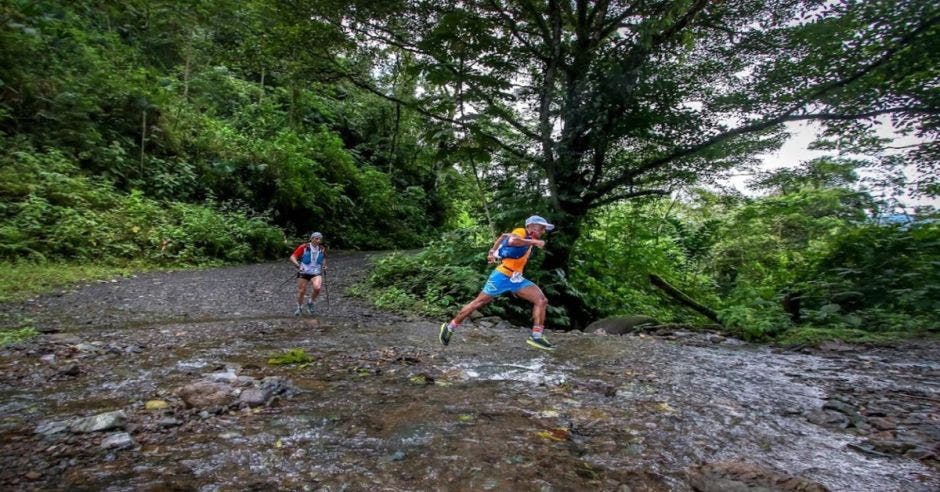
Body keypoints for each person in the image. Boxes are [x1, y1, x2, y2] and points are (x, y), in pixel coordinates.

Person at [439, 215, 556, 351]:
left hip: (516, 279)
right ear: (531, 226)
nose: (543, 232)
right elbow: (512, 241)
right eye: (541, 228)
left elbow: (502, 237)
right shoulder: (521, 232)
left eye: (543, 229)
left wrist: (492, 252)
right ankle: (449, 327)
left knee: (541, 300)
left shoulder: (529, 239)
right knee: (478, 302)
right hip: (501, 276)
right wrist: (535, 242)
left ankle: (536, 336)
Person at [289, 232, 327, 315]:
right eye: (316, 238)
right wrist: (298, 266)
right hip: (304, 271)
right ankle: (299, 307)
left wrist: (324, 265)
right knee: (302, 291)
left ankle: (311, 302)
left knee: (317, 288)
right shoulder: (304, 247)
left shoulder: (322, 248)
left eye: (320, 239)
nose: (318, 240)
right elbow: (292, 257)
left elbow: (324, 258)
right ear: (312, 238)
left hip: (316, 272)